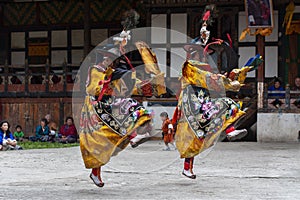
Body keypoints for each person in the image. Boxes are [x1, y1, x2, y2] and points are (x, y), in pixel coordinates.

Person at [172, 6, 262, 179]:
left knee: (219, 112)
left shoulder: (204, 67)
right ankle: (228, 131)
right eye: (197, 52)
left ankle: (227, 131)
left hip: (203, 100)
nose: (201, 55)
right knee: (219, 110)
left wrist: (243, 71)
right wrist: (226, 81)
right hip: (192, 102)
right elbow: (211, 79)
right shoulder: (189, 67)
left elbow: (218, 78)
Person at [80, 9, 167, 188]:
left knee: (139, 110)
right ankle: (95, 172)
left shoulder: (114, 71)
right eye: (108, 58)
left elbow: (129, 80)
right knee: (100, 143)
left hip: (112, 104)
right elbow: (92, 89)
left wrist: (147, 80)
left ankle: (137, 135)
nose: (110, 61)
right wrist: (108, 84)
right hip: (96, 108)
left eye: (112, 59)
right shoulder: (95, 70)